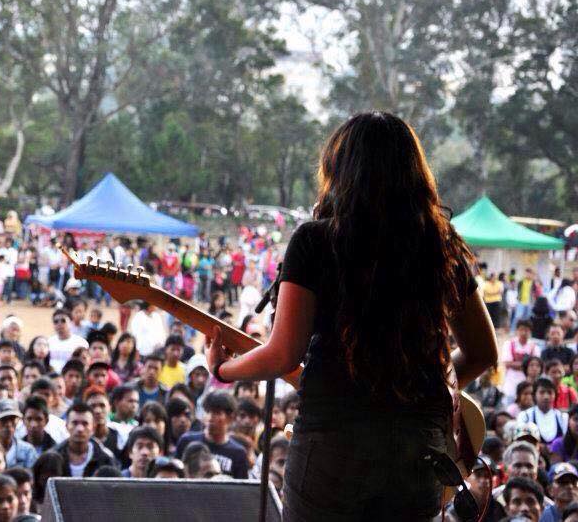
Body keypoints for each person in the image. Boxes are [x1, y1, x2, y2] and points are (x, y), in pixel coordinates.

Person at [205, 113, 498, 519]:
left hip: (332, 452)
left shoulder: (316, 239)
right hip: (418, 453)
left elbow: (283, 354)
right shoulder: (441, 246)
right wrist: (431, 389)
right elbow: (483, 352)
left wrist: (223, 370)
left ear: (338, 169)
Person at [53, 401, 117, 477]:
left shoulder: (106, 459)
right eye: (75, 423)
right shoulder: (53, 457)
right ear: (66, 426)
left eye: (85, 423)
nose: (80, 429)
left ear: (93, 427)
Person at [518, 377, 567, 445]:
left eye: (550, 393)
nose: (546, 397)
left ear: (555, 395)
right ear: (534, 395)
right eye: (542, 392)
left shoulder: (563, 417)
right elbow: (522, 443)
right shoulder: (525, 416)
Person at [47, 309, 89, 374]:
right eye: (56, 321)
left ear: (71, 322)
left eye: (63, 321)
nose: (59, 324)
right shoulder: (48, 342)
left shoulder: (81, 343)